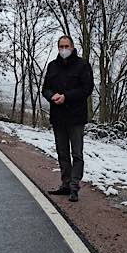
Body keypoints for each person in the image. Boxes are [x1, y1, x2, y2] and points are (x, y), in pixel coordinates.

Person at [41, 35, 95, 202]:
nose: (64, 49)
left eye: (66, 46)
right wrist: (52, 97)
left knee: (77, 154)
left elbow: (87, 88)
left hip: (76, 117)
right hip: (58, 117)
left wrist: (67, 97)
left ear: (72, 47)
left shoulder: (82, 65)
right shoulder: (52, 66)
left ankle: (74, 186)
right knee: (62, 153)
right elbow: (45, 88)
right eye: (61, 46)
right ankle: (65, 184)